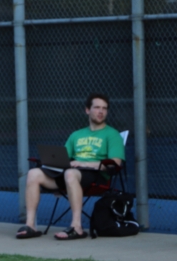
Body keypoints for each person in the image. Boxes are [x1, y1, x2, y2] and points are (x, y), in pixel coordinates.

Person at [16, 93, 125, 240]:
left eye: (104, 108)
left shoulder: (112, 134)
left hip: (96, 176)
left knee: (70, 173)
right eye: (97, 107)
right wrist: (51, 163)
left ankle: (77, 227)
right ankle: (30, 225)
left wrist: (84, 164)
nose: (101, 111)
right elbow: (64, 158)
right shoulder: (76, 135)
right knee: (33, 173)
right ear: (87, 110)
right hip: (71, 174)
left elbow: (115, 163)